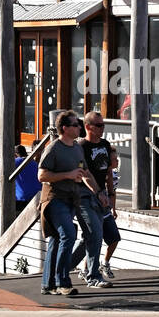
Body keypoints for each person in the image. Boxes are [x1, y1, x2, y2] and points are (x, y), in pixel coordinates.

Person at [37, 110, 92, 297]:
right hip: (54, 198)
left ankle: (48, 284)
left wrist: (99, 192)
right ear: (65, 128)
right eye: (76, 125)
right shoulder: (53, 148)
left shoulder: (77, 148)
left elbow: (84, 171)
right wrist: (67, 175)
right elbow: (42, 175)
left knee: (57, 239)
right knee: (68, 234)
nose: (79, 127)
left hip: (71, 199)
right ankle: (62, 282)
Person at [79, 111, 121, 285]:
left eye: (103, 124)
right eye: (99, 125)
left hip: (103, 196)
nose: (102, 128)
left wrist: (111, 196)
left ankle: (86, 268)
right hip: (86, 197)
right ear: (88, 127)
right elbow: (83, 174)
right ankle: (91, 274)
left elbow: (108, 172)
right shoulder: (81, 146)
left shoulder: (104, 144)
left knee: (112, 235)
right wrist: (97, 193)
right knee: (94, 235)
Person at [14, 143, 40, 208]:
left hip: (21, 198)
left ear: (15, 154)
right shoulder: (34, 163)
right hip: (37, 196)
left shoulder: (14, 162)